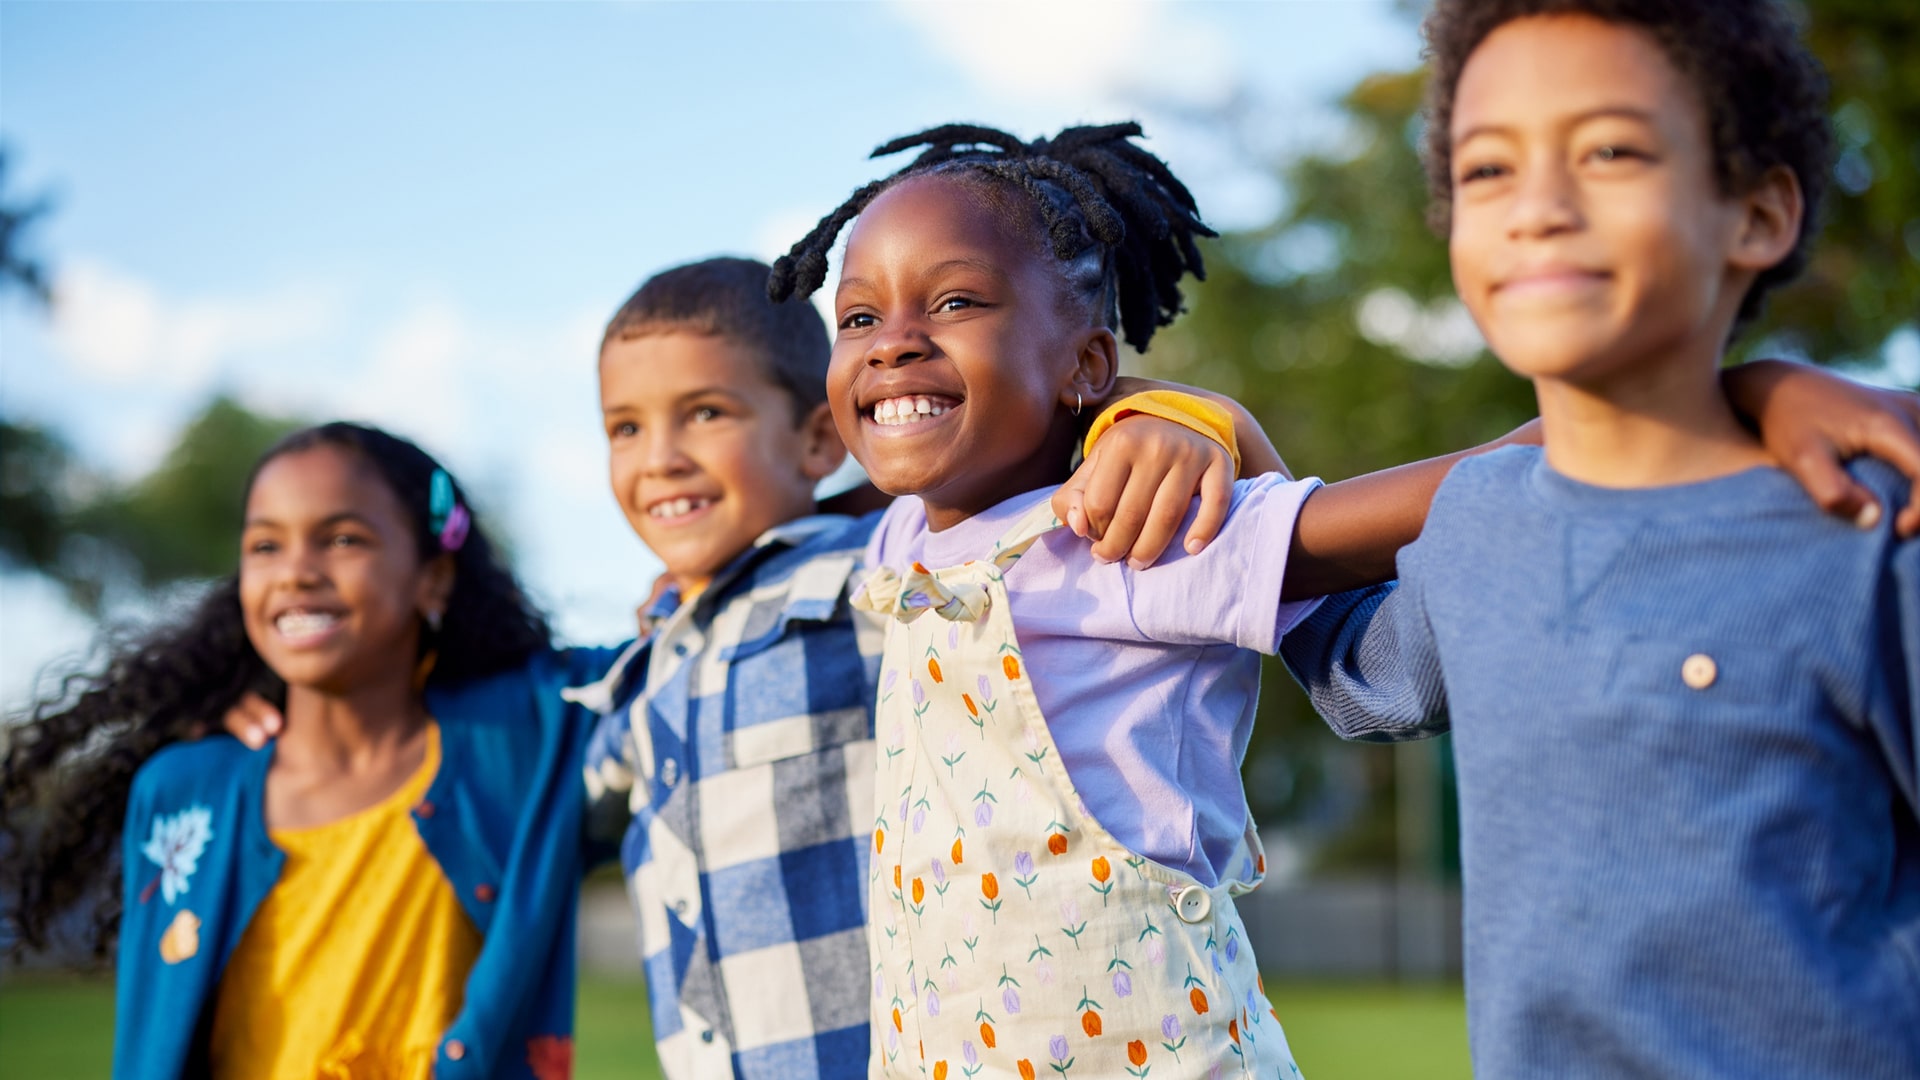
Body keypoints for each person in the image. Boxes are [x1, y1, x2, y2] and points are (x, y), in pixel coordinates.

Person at [1280, 2, 1920, 1075]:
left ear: (1756, 215)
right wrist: (1203, 440)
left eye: (1611, 150)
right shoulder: (1473, 528)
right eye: (1489, 170)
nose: (1538, 207)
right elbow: (1343, 667)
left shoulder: (1865, 527)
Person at [569, 256, 1256, 1078]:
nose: (662, 459)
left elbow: (983, 485)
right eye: (626, 428)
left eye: (706, 413)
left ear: (820, 437)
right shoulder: (647, 659)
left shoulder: (877, 572)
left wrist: (1156, 415)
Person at [0, 423, 608, 1079]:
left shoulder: (526, 739)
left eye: (343, 539)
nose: (296, 571)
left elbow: (670, 663)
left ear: (433, 579)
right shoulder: (184, 788)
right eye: (266, 545)